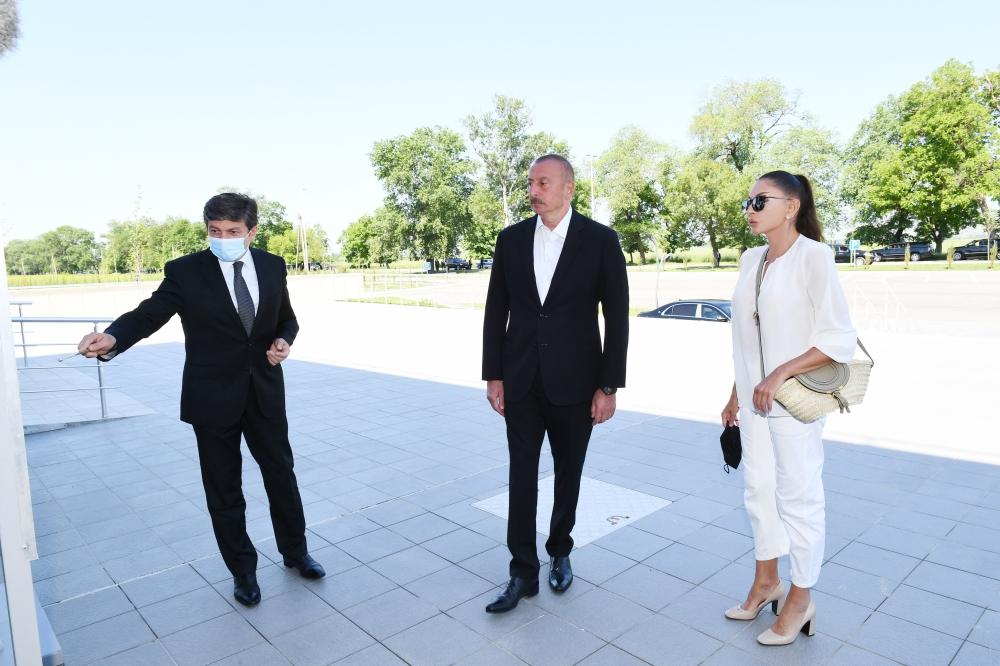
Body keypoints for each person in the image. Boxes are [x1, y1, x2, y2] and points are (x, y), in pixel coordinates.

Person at [77, 193, 325, 607]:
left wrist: (283, 340)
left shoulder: (272, 265)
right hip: (212, 399)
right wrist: (114, 337)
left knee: (281, 475)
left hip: (264, 394)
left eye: (232, 231)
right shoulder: (185, 271)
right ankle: (243, 571)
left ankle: (296, 553)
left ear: (252, 232)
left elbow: (287, 318)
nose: (222, 239)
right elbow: (149, 313)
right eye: (215, 231)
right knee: (224, 489)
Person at [481, 154, 629, 613]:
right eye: (531, 183)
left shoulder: (601, 241)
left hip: (577, 384)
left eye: (543, 183)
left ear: (569, 188)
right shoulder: (510, 240)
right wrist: (494, 375)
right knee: (520, 476)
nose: (533, 191)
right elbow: (496, 310)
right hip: (521, 381)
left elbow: (617, 318)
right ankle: (522, 572)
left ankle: (560, 550)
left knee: (569, 473)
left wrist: (609, 386)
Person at [721, 171, 856, 645]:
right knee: (758, 489)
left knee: (799, 495)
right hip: (753, 398)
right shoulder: (750, 259)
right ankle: (766, 582)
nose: (750, 209)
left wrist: (779, 373)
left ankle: (801, 597)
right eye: (747, 201)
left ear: (792, 206)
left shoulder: (813, 257)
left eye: (760, 200)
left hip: (794, 398)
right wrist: (736, 391)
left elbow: (837, 337)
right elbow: (747, 333)